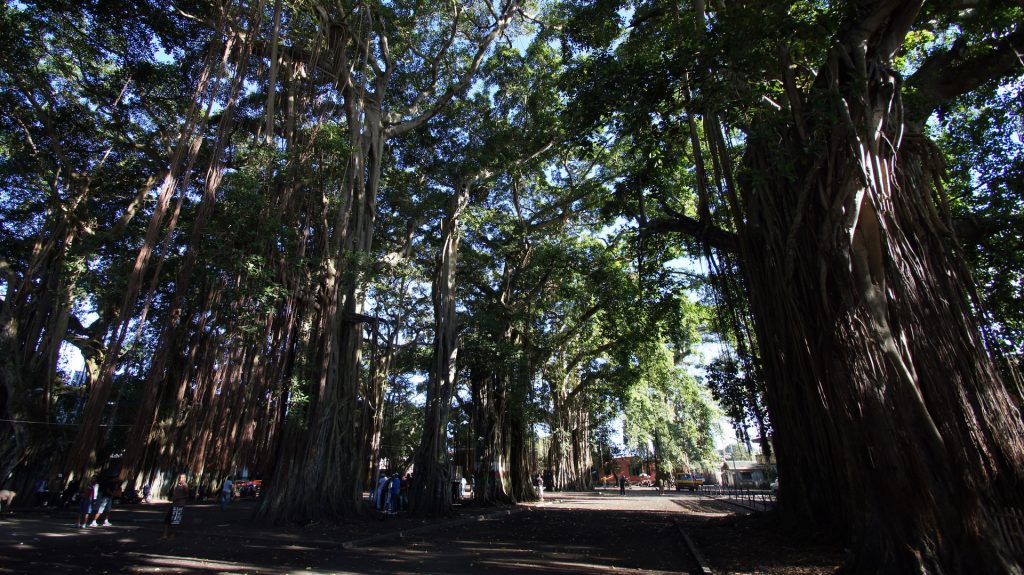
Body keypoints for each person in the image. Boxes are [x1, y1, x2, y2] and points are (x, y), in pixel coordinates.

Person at [162, 474, 189, 540]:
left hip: (179, 505)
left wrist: (178, 498)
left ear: (185, 478)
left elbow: (187, 495)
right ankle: (165, 535)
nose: (181, 479)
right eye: (180, 477)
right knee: (167, 520)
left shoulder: (185, 485)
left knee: (175, 521)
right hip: (173, 504)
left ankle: (172, 535)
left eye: (182, 478)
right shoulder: (178, 485)